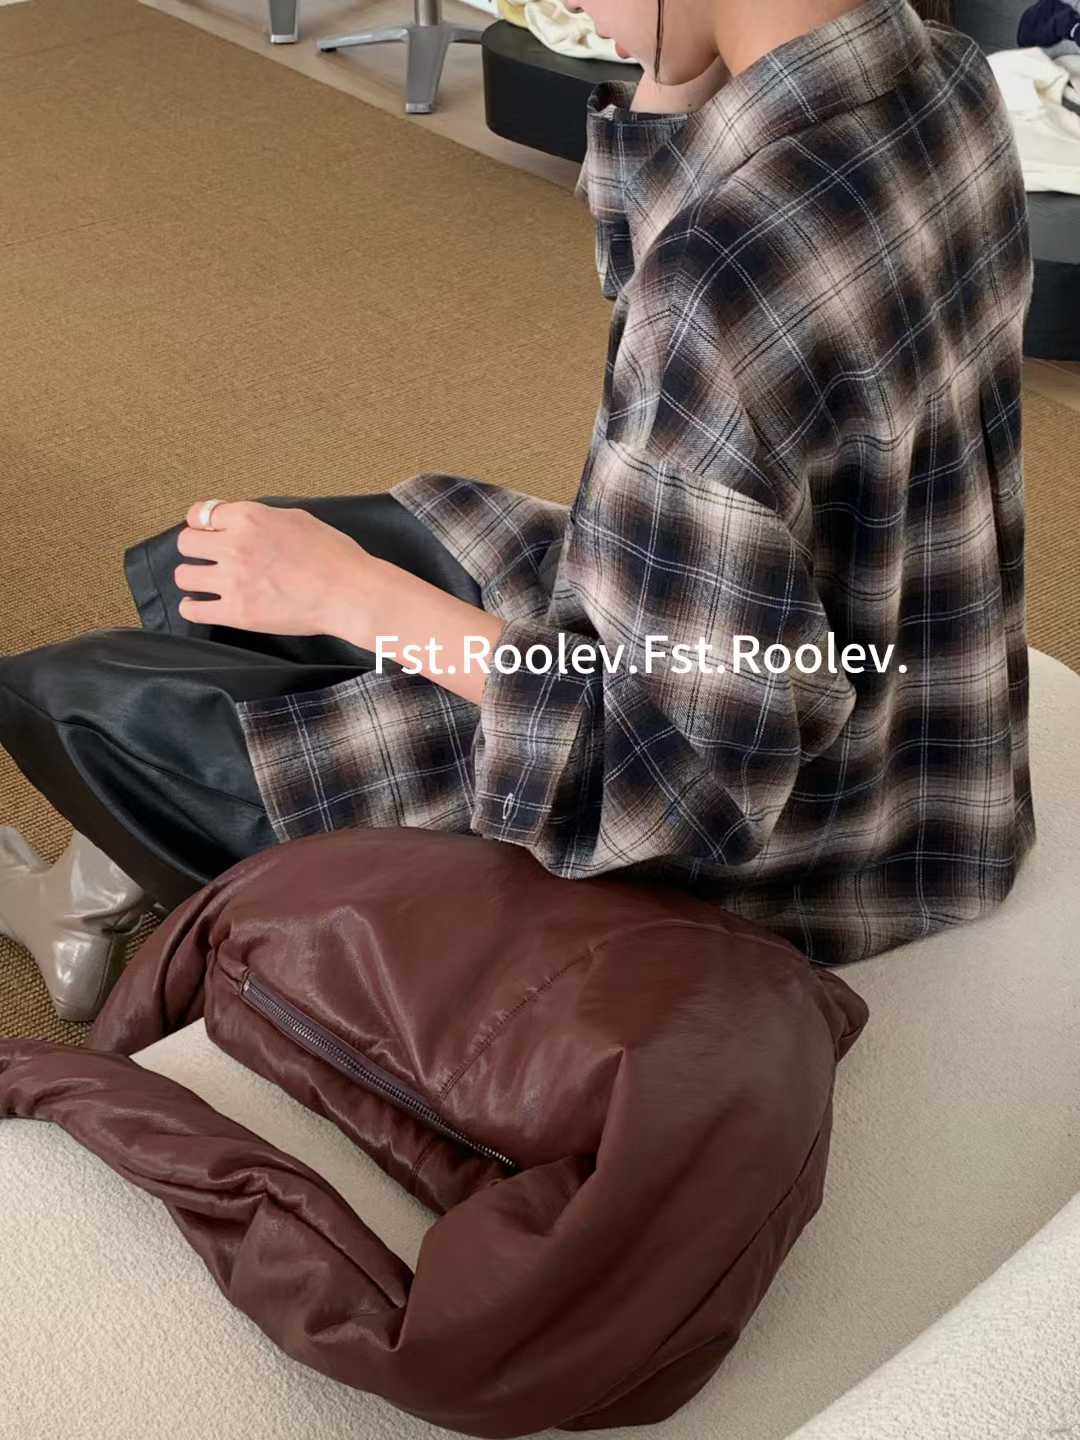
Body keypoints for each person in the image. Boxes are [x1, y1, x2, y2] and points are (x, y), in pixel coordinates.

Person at [0, 0, 1036, 1023]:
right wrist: (678, 59)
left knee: (77, 701)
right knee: (219, 568)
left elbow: (676, 777)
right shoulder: (946, 81)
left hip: (788, 840)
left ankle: (87, 902)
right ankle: (106, 885)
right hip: (914, 744)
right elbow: (680, 280)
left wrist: (361, 600)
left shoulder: (725, 273)